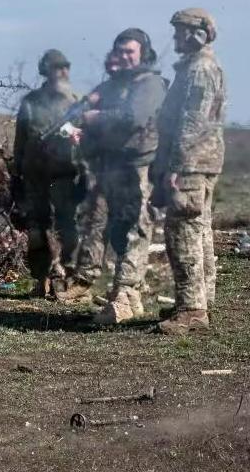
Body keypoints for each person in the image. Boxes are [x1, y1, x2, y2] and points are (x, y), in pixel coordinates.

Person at [68, 28, 166, 324]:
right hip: (115, 164)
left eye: (130, 52)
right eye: (119, 51)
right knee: (120, 229)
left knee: (136, 226)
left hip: (139, 165)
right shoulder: (116, 85)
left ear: (143, 54)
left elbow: (133, 118)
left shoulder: (149, 83)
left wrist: (95, 117)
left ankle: (124, 294)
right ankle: (129, 296)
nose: (124, 57)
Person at [153, 8, 226, 335]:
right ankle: (200, 300)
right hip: (200, 162)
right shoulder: (200, 67)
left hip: (191, 164)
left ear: (198, 34)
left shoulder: (199, 70)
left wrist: (176, 167)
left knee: (182, 231)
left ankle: (192, 310)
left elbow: (192, 123)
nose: (175, 37)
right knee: (198, 229)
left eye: (180, 31)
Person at [12, 49, 81, 297]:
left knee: (67, 226)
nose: (62, 71)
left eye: (65, 66)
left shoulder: (75, 102)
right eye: (56, 67)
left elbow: (87, 138)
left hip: (64, 174)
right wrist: (17, 173)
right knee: (36, 228)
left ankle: (68, 279)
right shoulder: (31, 102)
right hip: (35, 174)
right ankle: (41, 279)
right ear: (46, 71)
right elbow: (20, 140)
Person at [55, 50, 120, 301]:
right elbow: (71, 121)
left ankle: (126, 288)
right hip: (102, 168)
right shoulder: (102, 91)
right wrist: (74, 131)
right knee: (96, 221)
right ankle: (84, 280)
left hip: (130, 168)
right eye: (110, 63)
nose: (114, 67)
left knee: (128, 229)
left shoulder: (140, 90)